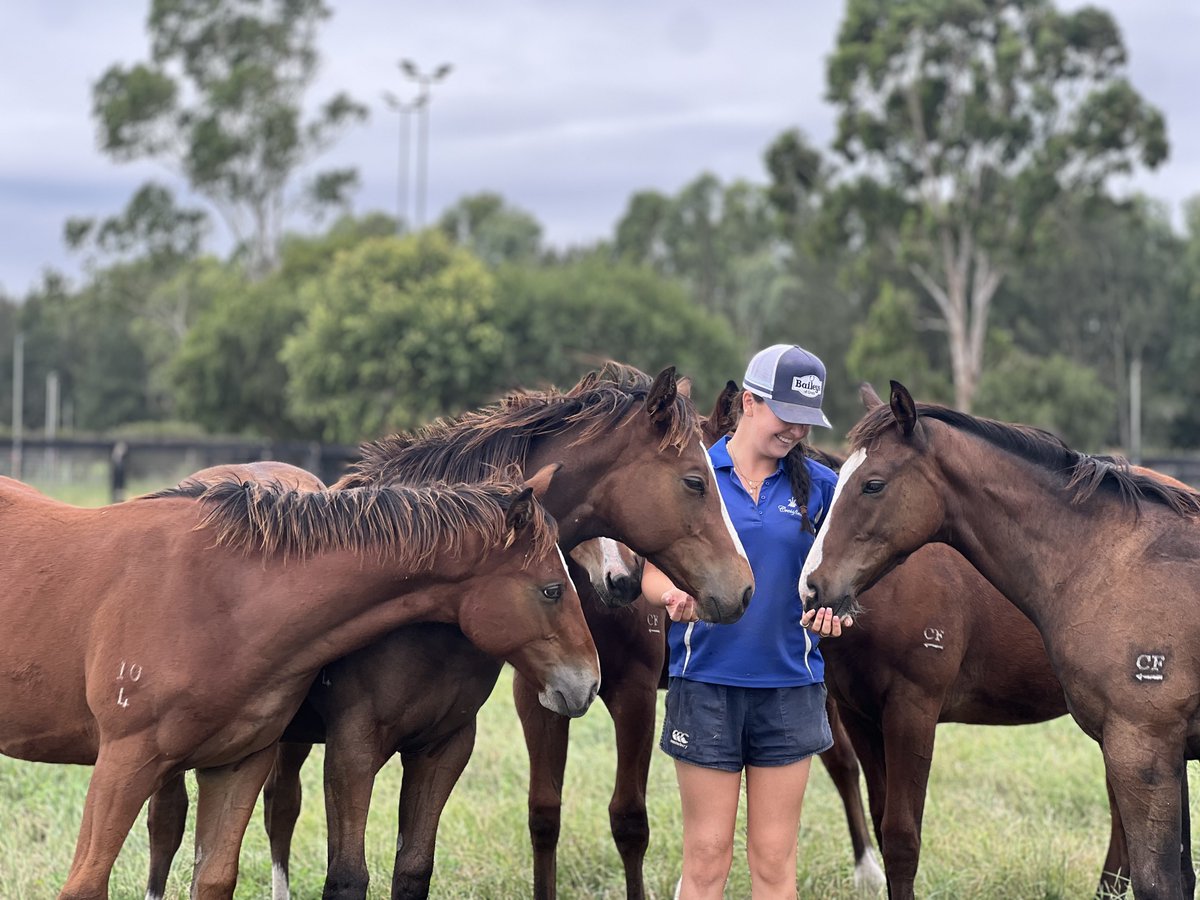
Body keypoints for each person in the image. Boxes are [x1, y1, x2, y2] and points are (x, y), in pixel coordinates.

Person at [643, 344, 852, 900]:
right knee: (706, 859)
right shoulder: (695, 477)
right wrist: (671, 594)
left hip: (790, 689)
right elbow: (649, 572)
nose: (797, 432)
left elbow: (842, 581)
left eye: (808, 422)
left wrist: (839, 614)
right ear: (750, 402)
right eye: (788, 417)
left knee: (774, 861)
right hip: (706, 685)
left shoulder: (823, 489)